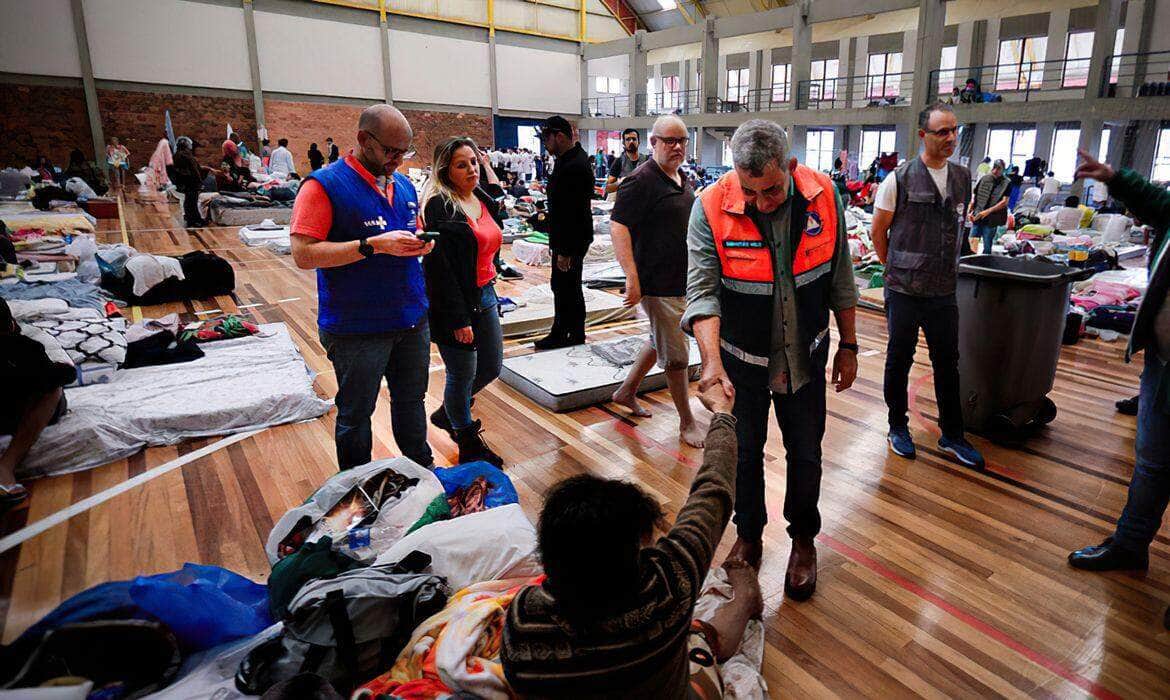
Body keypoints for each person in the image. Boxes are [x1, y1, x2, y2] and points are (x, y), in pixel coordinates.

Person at [682, 119, 859, 599]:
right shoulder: (710, 207)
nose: (761, 202)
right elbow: (701, 293)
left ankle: (803, 539)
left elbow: (841, 273)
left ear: (791, 166)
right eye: (750, 191)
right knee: (744, 454)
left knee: (806, 453)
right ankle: (749, 535)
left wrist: (849, 344)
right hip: (742, 360)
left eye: (772, 190)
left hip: (806, 357)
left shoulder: (824, 194)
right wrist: (711, 362)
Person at [501, 380, 764, 697]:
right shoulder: (669, 583)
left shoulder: (523, 620)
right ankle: (745, 599)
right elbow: (715, 490)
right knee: (700, 636)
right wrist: (722, 413)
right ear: (635, 553)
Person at [289, 104, 435, 470]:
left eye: (405, 152)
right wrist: (372, 245)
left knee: (411, 401)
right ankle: (356, 487)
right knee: (356, 414)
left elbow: (408, 230)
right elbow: (303, 254)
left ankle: (421, 470)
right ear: (362, 140)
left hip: (410, 318)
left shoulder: (402, 185)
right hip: (357, 328)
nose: (398, 161)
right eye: (390, 151)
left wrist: (420, 243)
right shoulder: (323, 185)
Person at [1067, 149, 1170, 631]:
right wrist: (1115, 178)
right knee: (1151, 464)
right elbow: (1155, 202)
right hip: (1165, 366)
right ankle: (1129, 546)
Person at [871, 102, 985, 469]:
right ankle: (896, 427)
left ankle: (952, 434)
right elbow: (878, 232)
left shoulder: (964, 177)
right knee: (899, 359)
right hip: (904, 290)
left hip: (943, 290)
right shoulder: (899, 179)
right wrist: (895, 269)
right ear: (923, 135)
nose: (950, 137)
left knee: (948, 363)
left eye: (955, 130)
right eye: (942, 132)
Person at [608, 116, 704, 448]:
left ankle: (625, 391)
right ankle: (687, 423)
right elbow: (618, 227)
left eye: (682, 141)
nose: (677, 147)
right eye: (669, 141)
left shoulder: (680, 176)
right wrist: (632, 278)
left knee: (658, 338)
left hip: (681, 279)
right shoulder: (640, 181)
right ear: (654, 143)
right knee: (677, 356)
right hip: (657, 282)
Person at [419, 137, 507, 467]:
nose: (471, 169)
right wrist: (458, 319)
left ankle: (449, 413)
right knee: (461, 374)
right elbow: (439, 271)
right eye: (462, 164)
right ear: (446, 170)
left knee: (491, 366)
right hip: (455, 303)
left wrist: (485, 168)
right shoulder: (440, 206)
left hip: (485, 293)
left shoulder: (478, 197)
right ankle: (467, 440)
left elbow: (495, 218)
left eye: (473, 161)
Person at [0, 298, 76, 507]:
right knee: (50, 389)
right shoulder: (21, 343)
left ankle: (6, 467)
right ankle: (6, 467)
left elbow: (62, 374)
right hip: (9, 408)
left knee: (48, 386)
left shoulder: (29, 343)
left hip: (17, 404)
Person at [534, 116, 594, 350]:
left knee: (566, 286)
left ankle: (566, 333)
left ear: (560, 136)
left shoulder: (575, 165)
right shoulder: (566, 160)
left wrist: (566, 251)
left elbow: (574, 213)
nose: (545, 144)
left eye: (547, 138)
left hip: (571, 240)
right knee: (564, 286)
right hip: (565, 237)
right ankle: (569, 331)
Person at [969, 158, 1010, 254]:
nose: (995, 171)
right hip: (978, 215)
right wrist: (970, 211)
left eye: (999, 168)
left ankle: (985, 265)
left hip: (992, 218)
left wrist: (988, 211)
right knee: (972, 241)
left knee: (987, 244)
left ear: (1003, 169)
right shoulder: (985, 178)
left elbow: (1004, 202)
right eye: (994, 168)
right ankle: (970, 263)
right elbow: (975, 195)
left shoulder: (1007, 183)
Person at [172, 136, 206, 228]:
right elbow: (194, 170)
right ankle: (194, 220)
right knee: (192, 201)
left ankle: (191, 218)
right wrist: (199, 182)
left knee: (189, 200)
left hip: (184, 182)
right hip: (191, 181)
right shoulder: (186, 155)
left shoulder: (177, 155)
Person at [605, 128, 648, 195]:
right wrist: (621, 182)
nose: (631, 141)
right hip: (625, 201)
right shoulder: (619, 162)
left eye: (634, 139)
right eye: (628, 139)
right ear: (623, 143)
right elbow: (608, 188)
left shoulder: (647, 161)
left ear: (638, 142)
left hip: (644, 201)